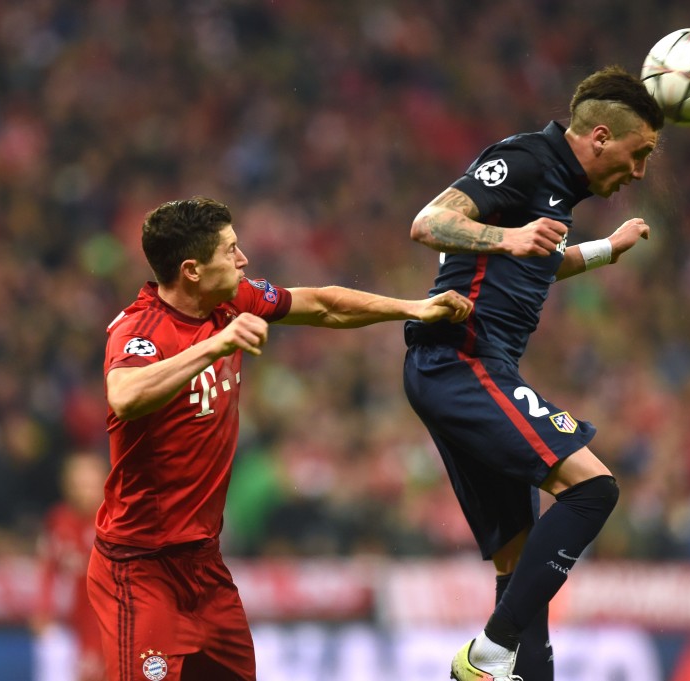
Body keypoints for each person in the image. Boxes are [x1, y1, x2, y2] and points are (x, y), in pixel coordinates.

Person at [86, 196, 472, 681]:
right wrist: (217, 344)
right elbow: (125, 395)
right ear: (191, 270)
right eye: (230, 250)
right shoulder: (139, 331)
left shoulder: (230, 300)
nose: (243, 259)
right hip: (139, 569)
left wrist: (413, 307)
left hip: (204, 566)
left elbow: (323, 305)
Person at [401, 65, 665, 680]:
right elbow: (429, 223)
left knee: (523, 574)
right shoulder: (525, 158)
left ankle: (508, 665)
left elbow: (533, 259)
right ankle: (487, 655)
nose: (640, 172)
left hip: (467, 367)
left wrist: (604, 250)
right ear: (600, 137)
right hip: (459, 360)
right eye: (639, 153)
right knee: (593, 489)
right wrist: (508, 236)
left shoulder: (561, 187)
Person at [33, 451, 108, 681]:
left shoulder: (118, 522)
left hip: (111, 619)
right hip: (74, 620)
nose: (83, 491)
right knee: (53, 651)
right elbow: (47, 568)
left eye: (89, 483)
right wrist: (42, 611)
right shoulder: (58, 520)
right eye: (77, 483)